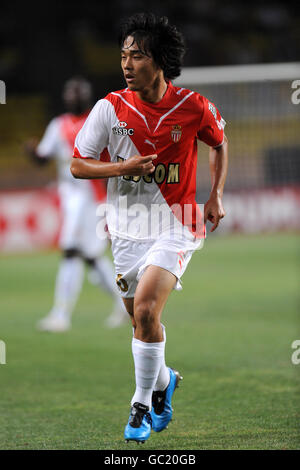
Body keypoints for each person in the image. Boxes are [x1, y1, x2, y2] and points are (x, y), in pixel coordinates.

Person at [71, 13, 228, 443]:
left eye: (136, 55)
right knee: (141, 321)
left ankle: (140, 406)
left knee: (145, 310)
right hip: (125, 228)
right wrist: (123, 166)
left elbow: (220, 142)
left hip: (178, 223)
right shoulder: (110, 107)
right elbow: (78, 165)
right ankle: (164, 382)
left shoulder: (193, 106)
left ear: (158, 61)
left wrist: (214, 195)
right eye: (123, 54)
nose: (126, 63)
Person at [25, 77, 128, 332]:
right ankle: (124, 304)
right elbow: (43, 158)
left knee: (70, 250)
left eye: (78, 93)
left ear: (87, 96)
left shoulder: (97, 122)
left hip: (91, 198)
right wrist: (33, 153)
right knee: (91, 257)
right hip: (70, 199)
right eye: (70, 93)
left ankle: (61, 315)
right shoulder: (58, 125)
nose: (73, 97)